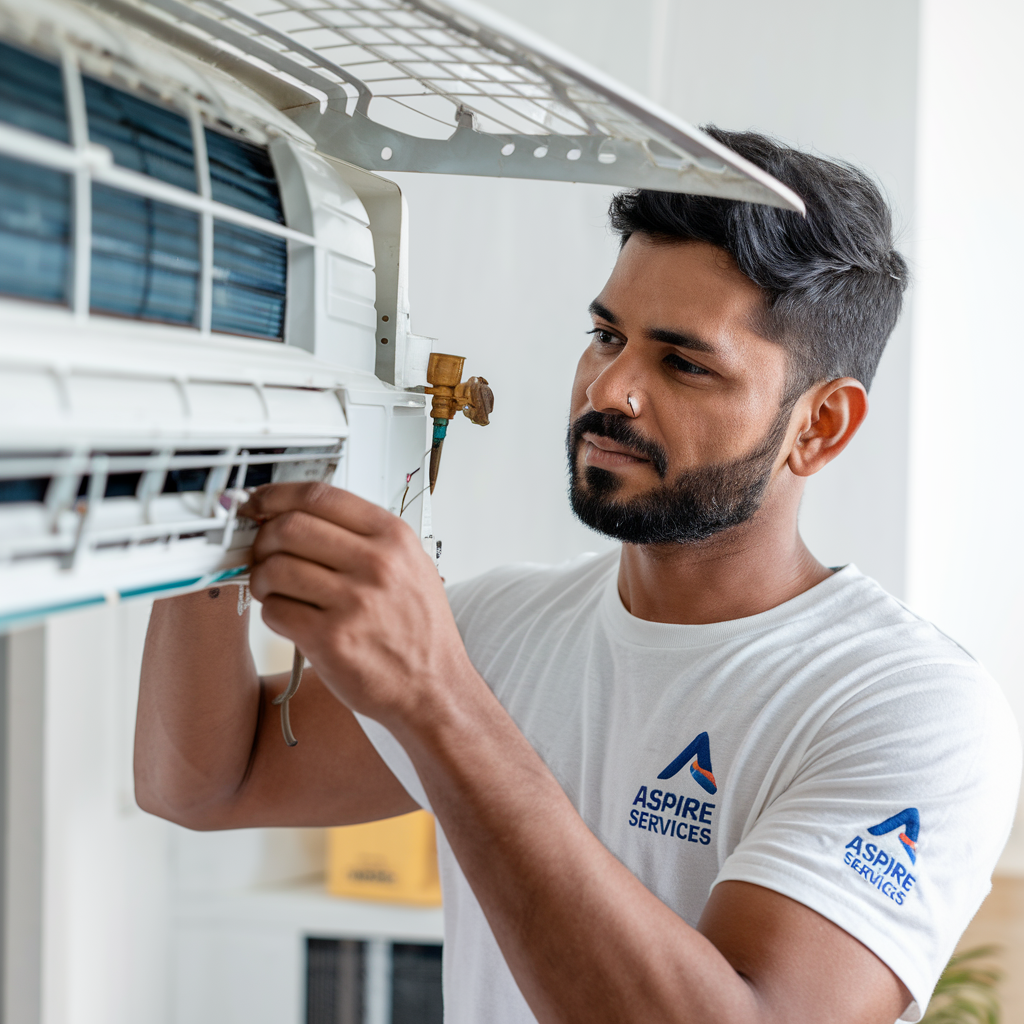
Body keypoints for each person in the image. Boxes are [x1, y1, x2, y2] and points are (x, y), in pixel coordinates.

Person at [135, 128, 1021, 1024]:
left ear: (820, 426)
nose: (609, 389)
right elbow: (207, 783)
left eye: (683, 363)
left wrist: (437, 698)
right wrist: (215, 486)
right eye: (606, 335)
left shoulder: (915, 708)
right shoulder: (501, 628)